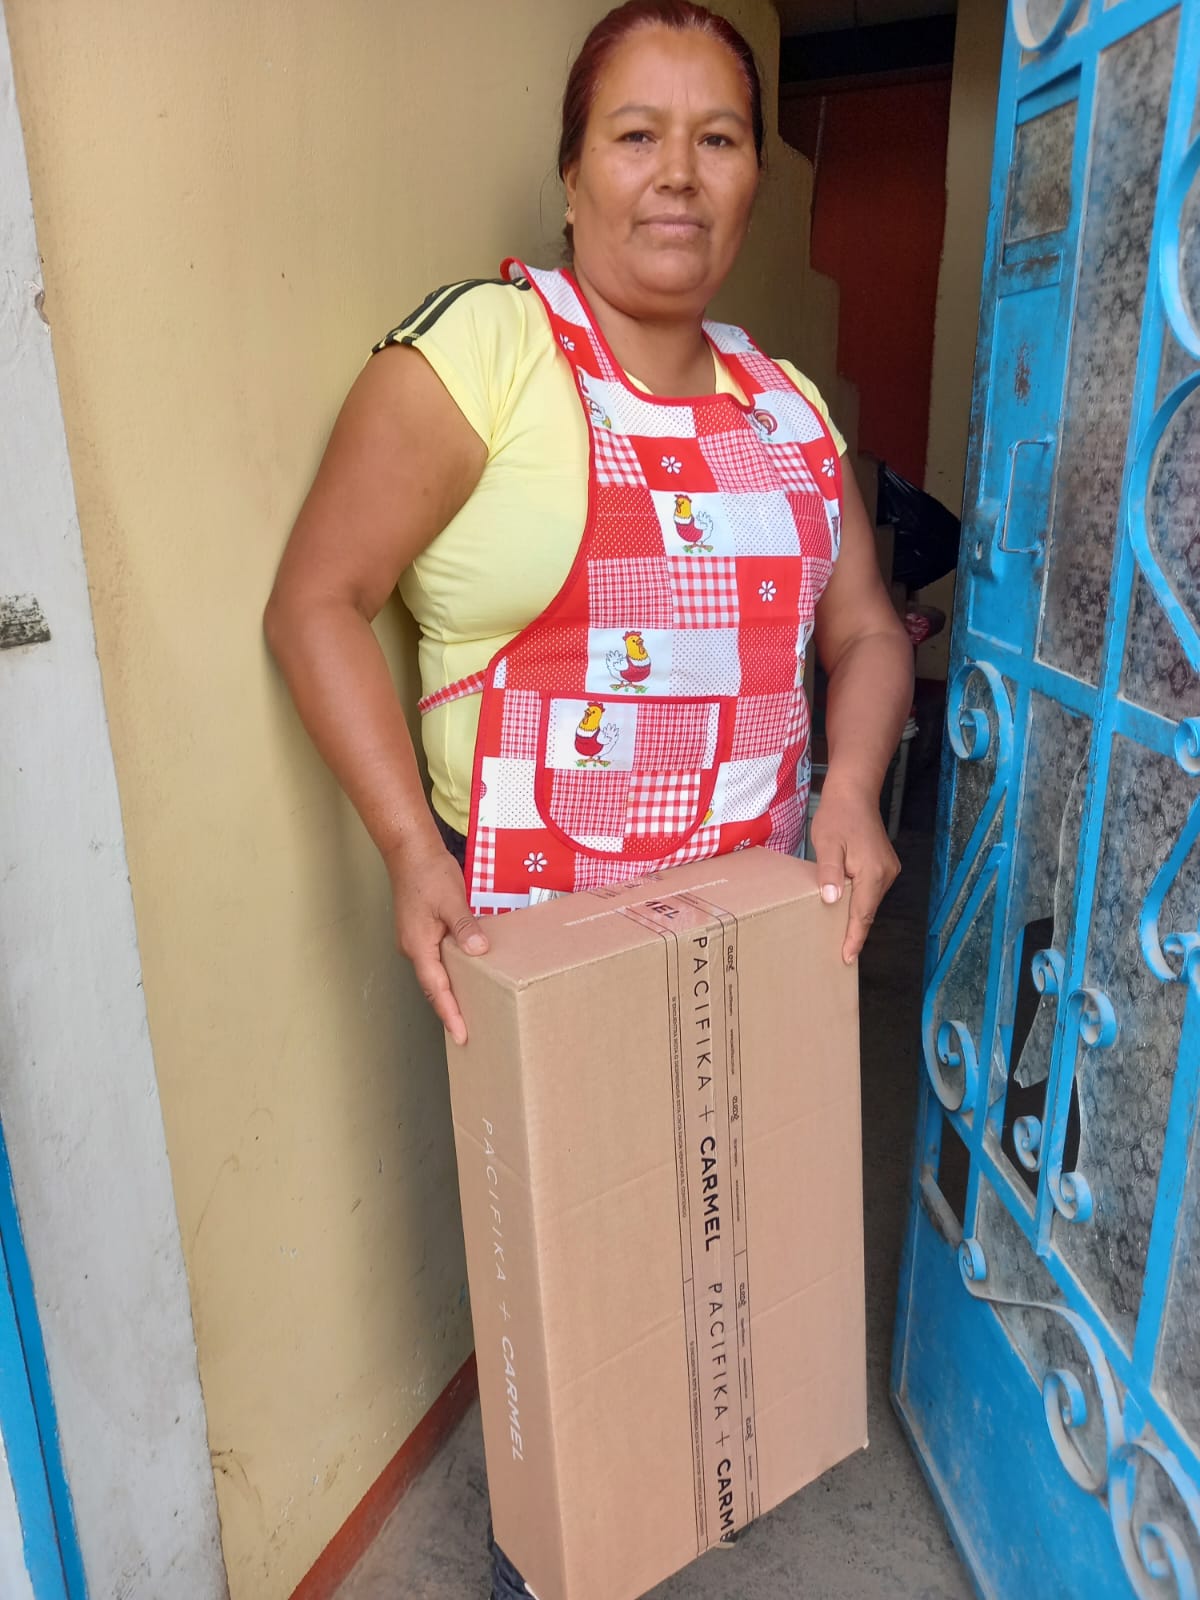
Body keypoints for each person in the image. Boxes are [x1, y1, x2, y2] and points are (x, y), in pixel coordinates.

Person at [265, 3, 913, 1593]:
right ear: (571, 175)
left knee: (721, 1260)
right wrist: (408, 851)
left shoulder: (790, 405)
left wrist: (852, 788)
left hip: (745, 926)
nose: (676, 174)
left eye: (717, 138)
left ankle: (682, 1502)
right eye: (636, 135)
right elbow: (317, 603)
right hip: (538, 940)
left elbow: (867, 633)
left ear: (753, 179)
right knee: (571, 1316)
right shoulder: (482, 354)